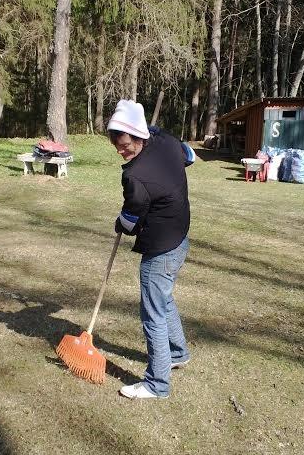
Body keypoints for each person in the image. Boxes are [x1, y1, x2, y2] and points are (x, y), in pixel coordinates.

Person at [107, 100, 196, 399]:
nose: (121, 152)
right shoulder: (167, 141)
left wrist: (120, 223)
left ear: (139, 136)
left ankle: (157, 384)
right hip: (180, 237)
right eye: (117, 146)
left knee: (152, 313)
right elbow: (190, 156)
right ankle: (178, 353)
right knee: (163, 299)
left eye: (125, 145)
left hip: (161, 249)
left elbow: (131, 221)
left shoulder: (135, 176)